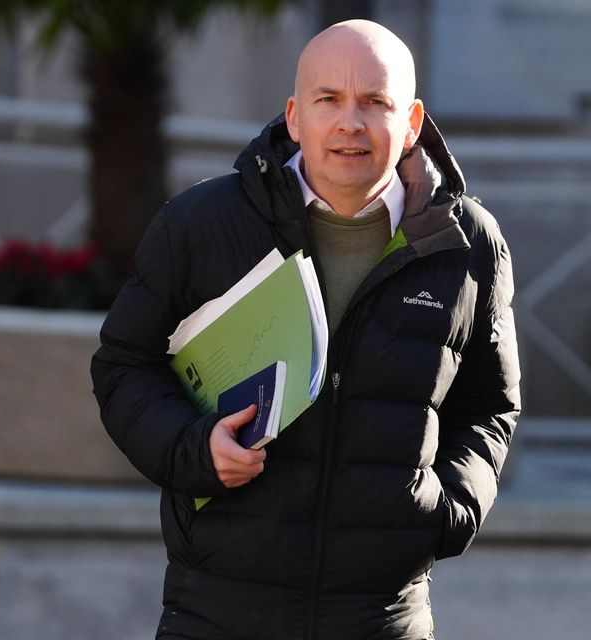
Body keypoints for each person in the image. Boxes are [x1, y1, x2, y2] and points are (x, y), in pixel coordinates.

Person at [91, 19, 520, 640]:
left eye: (375, 102)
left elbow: (490, 407)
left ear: (412, 121)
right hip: (218, 611)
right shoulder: (202, 224)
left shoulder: (468, 243)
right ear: (295, 117)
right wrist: (193, 447)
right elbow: (122, 367)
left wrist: (448, 508)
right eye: (329, 100)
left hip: (384, 618)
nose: (351, 122)